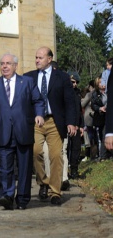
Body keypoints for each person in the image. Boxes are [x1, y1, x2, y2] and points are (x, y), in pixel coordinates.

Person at [0, 53, 44, 210]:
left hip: (23, 130)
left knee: (24, 168)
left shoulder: (27, 82)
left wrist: (39, 114)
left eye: (8, 63)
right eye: (2, 63)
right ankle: (7, 196)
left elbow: (38, 100)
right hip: (1, 132)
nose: (4, 66)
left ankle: (22, 199)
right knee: (4, 167)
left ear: (15, 66)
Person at [25, 47, 77, 206]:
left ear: (49, 59)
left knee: (56, 156)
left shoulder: (62, 77)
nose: (37, 60)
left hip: (55, 122)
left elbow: (69, 102)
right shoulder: (29, 77)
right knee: (35, 152)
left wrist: (71, 122)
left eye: (40, 57)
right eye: (36, 57)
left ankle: (55, 192)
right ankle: (43, 182)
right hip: (36, 122)